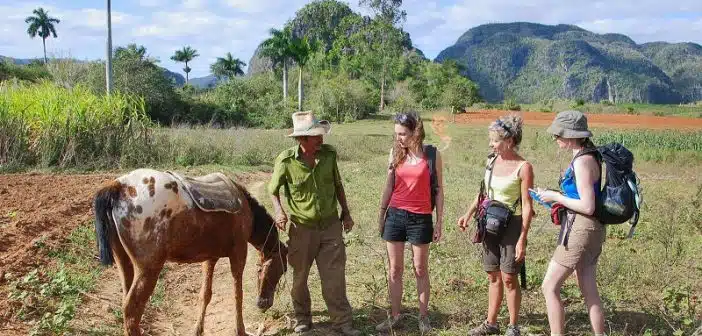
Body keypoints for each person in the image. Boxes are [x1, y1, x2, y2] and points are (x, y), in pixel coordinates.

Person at [268, 111, 361, 336]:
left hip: (330, 227)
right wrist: (279, 211)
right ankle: (303, 320)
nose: (321, 139)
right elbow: (273, 190)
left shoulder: (329, 156)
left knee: (334, 278)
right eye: (316, 136)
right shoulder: (286, 160)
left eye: (321, 134)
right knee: (299, 279)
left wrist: (346, 213)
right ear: (302, 139)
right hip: (301, 229)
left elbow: (338, 186)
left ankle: (342, 323)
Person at [457, 114, 534, 336]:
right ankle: (490, 323)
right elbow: (483, 194)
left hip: (512, 225)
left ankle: (513, 326)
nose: (491, 144)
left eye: (495, 140)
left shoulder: (524, 167)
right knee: (493, 275)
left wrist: (522, 238)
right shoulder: (491, 160)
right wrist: (468, 214)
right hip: (488, 222)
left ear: (509, 141)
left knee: (509, 277)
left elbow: (527, 206)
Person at [535, 110, 607, 336]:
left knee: (549, 286)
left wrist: (555, 197)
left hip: (582, 228)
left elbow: (587, 205)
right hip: (593, 227)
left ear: (572, 135)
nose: (556, 139)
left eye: (559, 134)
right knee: (589, 290)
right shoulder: (589, 155)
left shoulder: (582, 161)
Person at [375, 111, 444, 334]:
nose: (399, 139)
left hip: (421, 218)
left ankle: (423, 318)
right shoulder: (395, 153)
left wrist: (439, 221)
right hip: (395, 215)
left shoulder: (432, 155)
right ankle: (395, 316)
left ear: (415, 132)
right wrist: (381, 213)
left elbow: (439, 190)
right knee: (395, 270)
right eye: (396, 134)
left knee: (420, 268)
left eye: (403, 134)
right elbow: (388, 186)